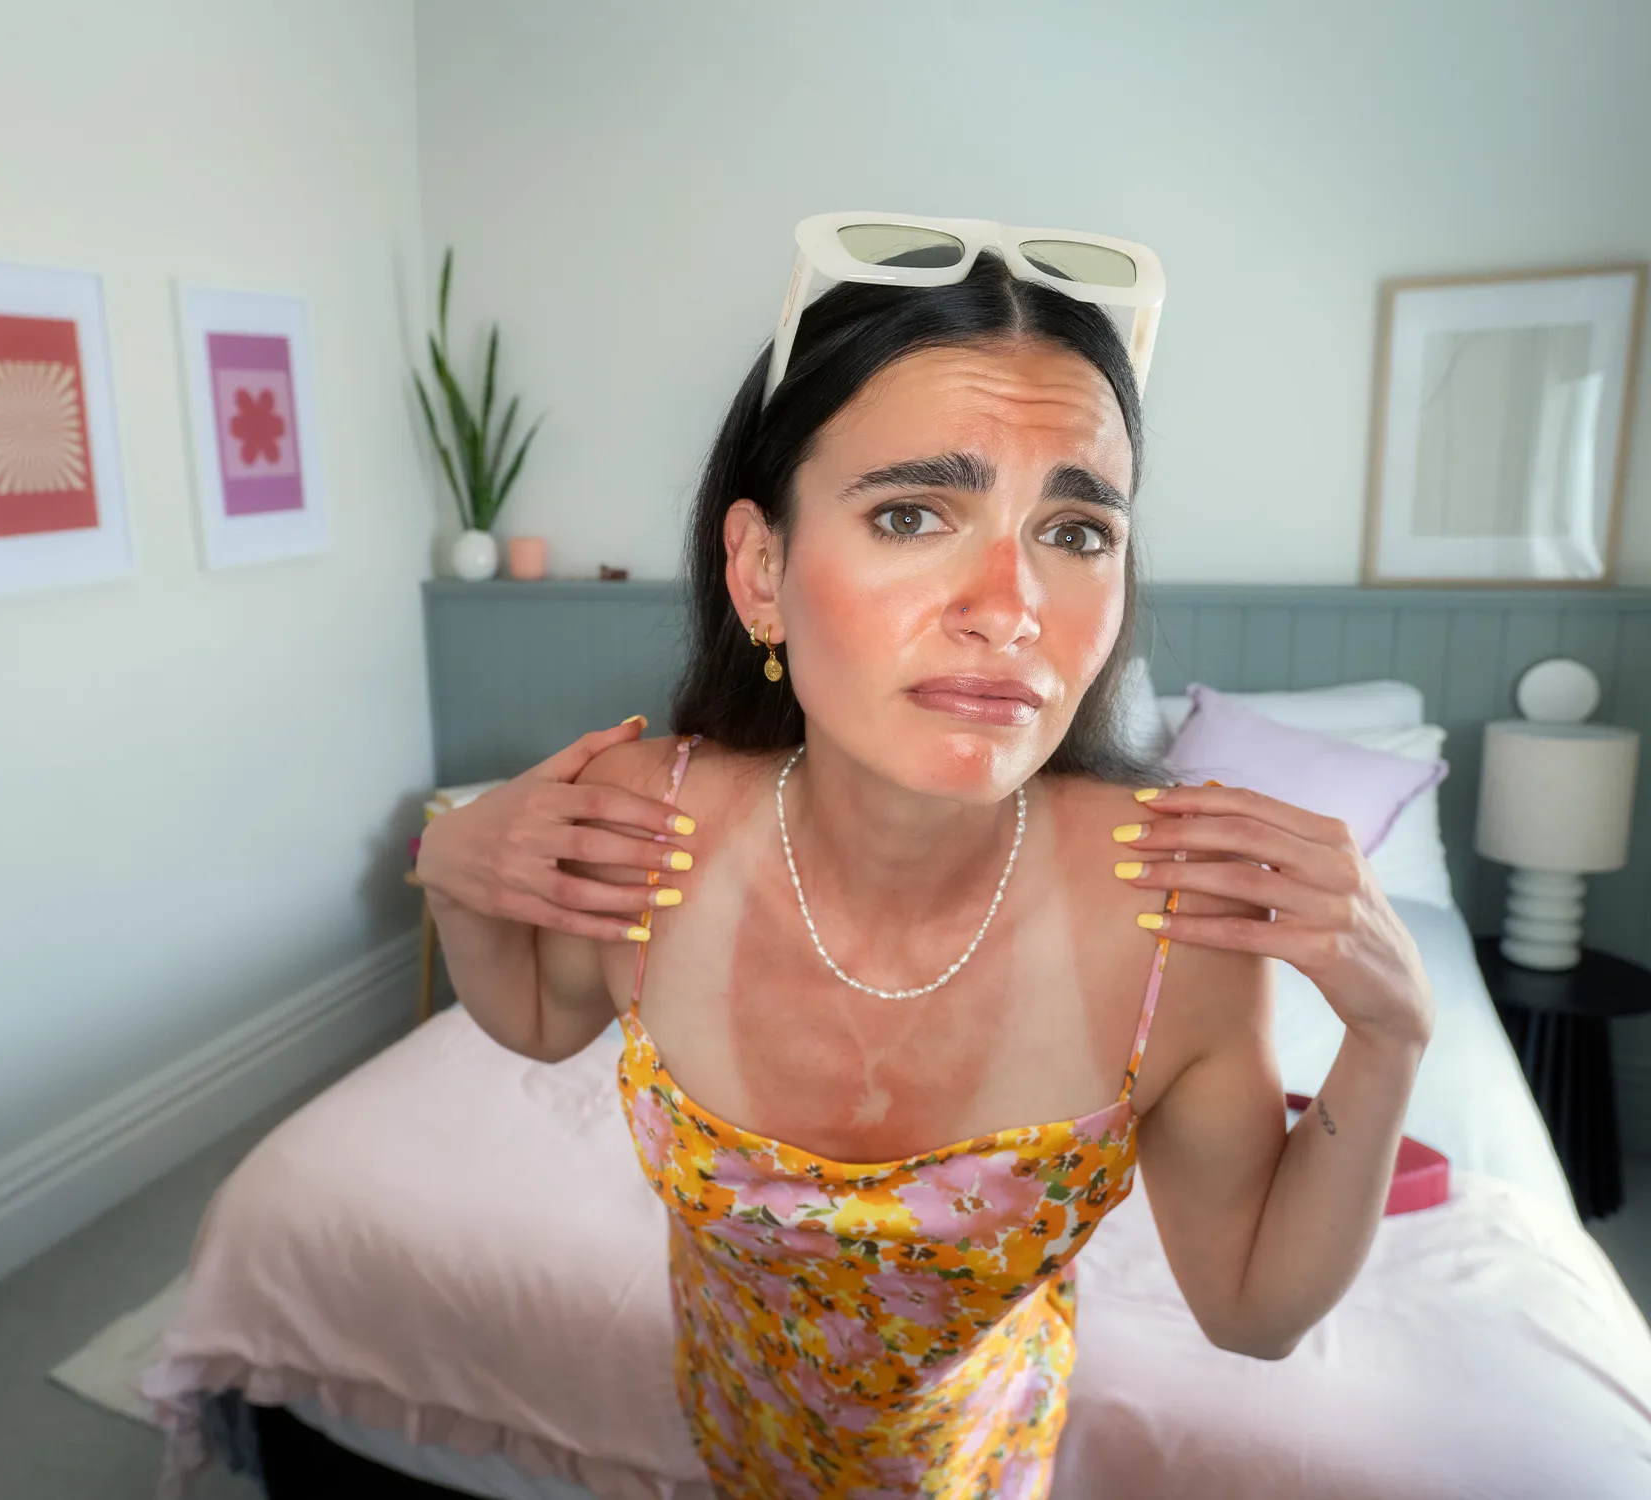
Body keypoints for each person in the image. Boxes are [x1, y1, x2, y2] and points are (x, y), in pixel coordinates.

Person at [416, 225, 1434, 1498]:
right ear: (761, 570)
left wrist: (1390, 1036)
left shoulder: (1179, 921)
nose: (1011, 605)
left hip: (983, 1456)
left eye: (1076, 532)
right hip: (731, 1419)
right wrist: (454, 873)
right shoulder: (646, 823)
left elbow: (1252, 1312)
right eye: (913, 512)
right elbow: (537, 1019)